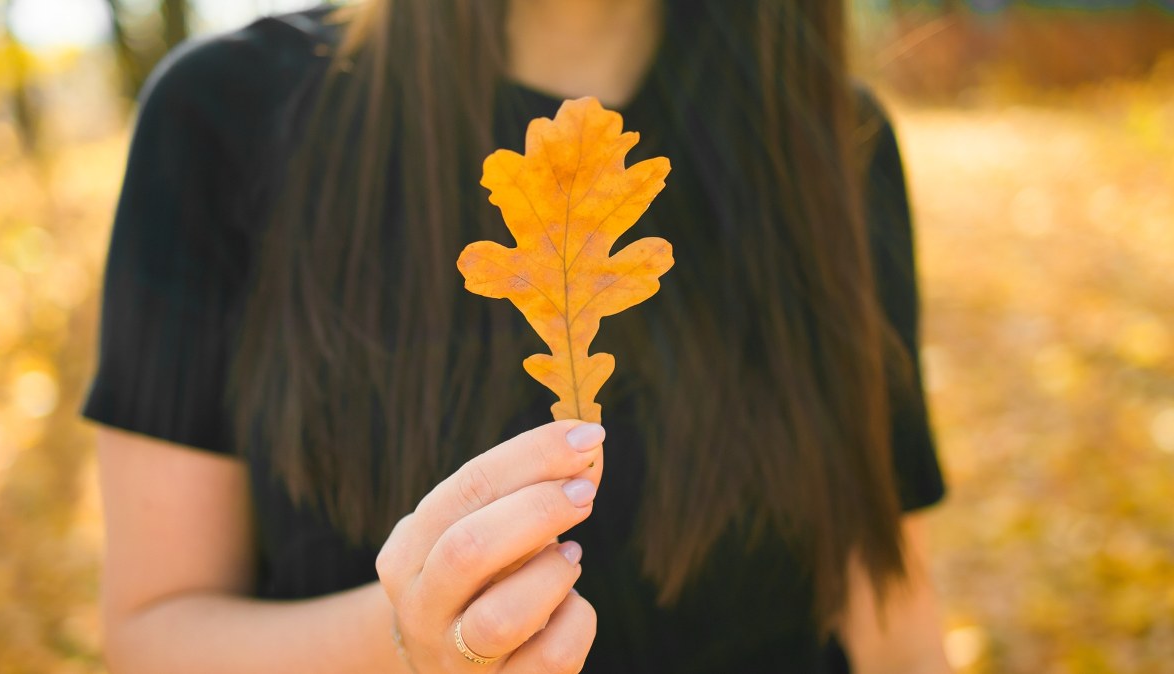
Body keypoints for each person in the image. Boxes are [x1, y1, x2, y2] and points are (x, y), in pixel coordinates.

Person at [83, 0, 952, 671]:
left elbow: (890, 619)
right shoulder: (217, 122)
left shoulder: (833, 142)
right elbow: (155, 632)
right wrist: (402, 641)